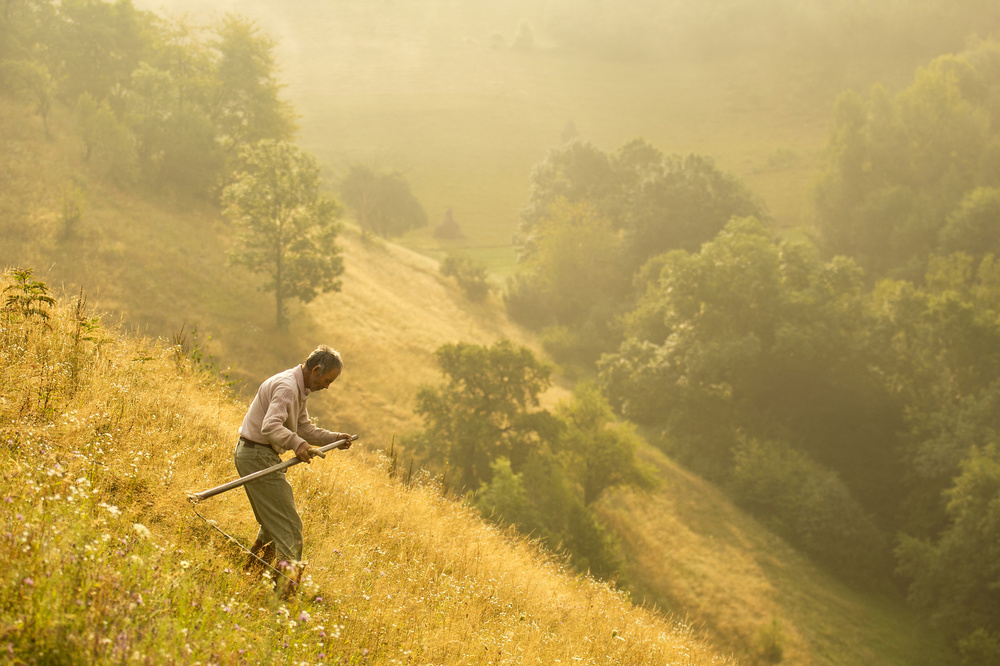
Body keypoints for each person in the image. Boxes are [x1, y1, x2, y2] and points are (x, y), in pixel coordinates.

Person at [234, 345, 353, 592]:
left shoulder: (299, 388)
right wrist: (297, 444)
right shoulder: (288, 387)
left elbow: (301, 427)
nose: (327, 386)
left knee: (271, 524)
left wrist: (333, 438)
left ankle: (251, 573)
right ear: (316, 370)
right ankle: (284, 595)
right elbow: (271, 427)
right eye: (328, 380)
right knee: (290, 528)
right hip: (258, 455)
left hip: (254, 454)